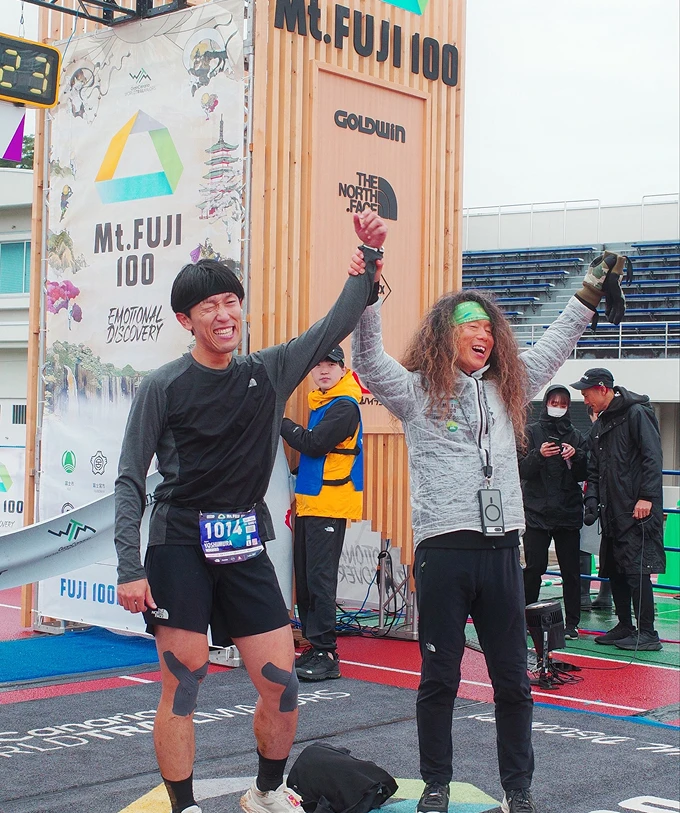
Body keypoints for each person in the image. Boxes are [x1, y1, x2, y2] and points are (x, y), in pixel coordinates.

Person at [114, 212, 387, 813]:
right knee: (185, 680)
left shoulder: (268, 370)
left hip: (242, 542)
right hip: (178, 542)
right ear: (186, 320)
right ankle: (184, 805)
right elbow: (130, 478)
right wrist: (129, 568)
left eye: (231, 301)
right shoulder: (162, 386)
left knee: (282, 683)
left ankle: (265, 792)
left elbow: (335, 323)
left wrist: (368, 259)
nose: (223, 314)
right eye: (208, 306)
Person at [348, 250, 629, 813]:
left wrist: (589, 294)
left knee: (513, 680)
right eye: (470, 326)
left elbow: (553, 345)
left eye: (488, 327)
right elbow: (369, 359)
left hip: (503, 550)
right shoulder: (415, 391)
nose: (483, 335)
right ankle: (436, 784)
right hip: (443, 550)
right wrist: (369, 287)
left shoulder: (507, 387)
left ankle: (518, 790)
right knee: (440, 679)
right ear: (443, 335)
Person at [281, 345, 363, 681]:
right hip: (311, 502)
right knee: (307, 580)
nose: (324, 370)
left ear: (343, 369)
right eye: (318, 365)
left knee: (320, 579)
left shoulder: (344, 405)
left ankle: (327, 652)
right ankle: (316, 646)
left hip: (328, 505)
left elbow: (314, 444)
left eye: (331, 364)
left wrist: (280, 423)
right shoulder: (323, 402)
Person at [570, 368, 665, 651]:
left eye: (587, 394)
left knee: (637, 570)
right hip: (611, 510)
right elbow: (595, 468)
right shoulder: (601, 423)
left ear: (602, 389)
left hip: (637, 509)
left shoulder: (637, 413)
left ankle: (647, 633)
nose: (585, 400)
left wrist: (647, 497)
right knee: (615, 569)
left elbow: (652, 456)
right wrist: (591, 500)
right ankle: (625, 625)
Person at [519, 385, 588, 639]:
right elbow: (521, 470)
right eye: (554, 402)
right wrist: (539, 455)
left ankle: (572, 623)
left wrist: (575, 456)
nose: (558, 407)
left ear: (568, 407)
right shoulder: (530, 432)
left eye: (563, 403)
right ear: (546, 403)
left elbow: (585, 473)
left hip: (568, 512)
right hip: (536, 512)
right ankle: (526, 619)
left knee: (571, 571)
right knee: (534, 568)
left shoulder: (576, 436)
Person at [580, 405, 613, 612]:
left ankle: (592, 594)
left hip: (598, 495)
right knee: (592, 543)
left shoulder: (587, 439)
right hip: (599, 496)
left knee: (589, 544)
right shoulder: (591, 438)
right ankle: (597, 595)